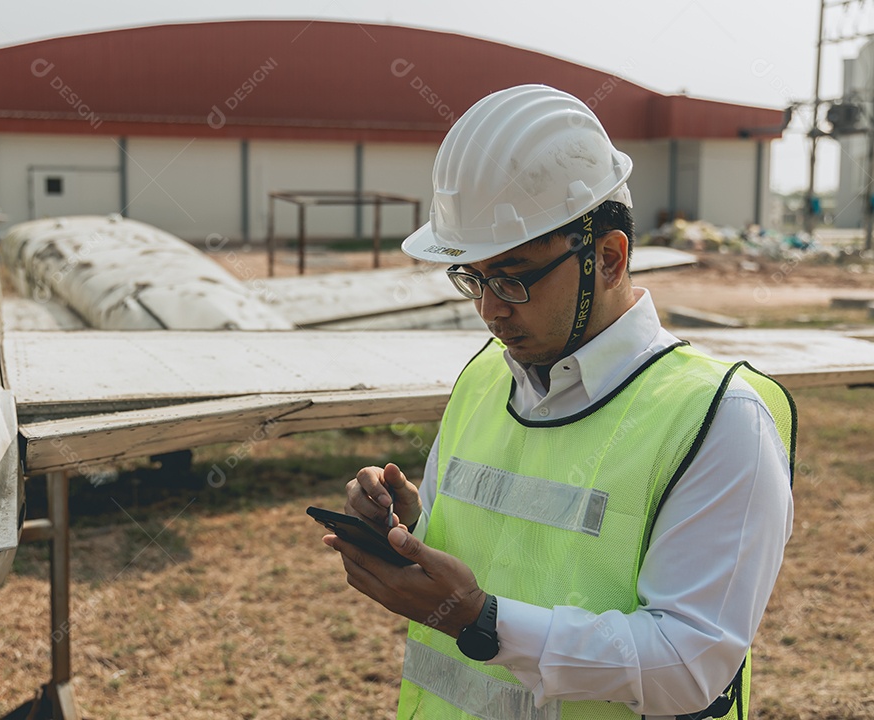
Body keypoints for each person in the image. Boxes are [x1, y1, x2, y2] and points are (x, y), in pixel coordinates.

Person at [321, 85, 794, 720]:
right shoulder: (486, 378)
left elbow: (691, 665)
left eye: (514, 276)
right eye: (474, 279)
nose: (491, 310)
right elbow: (507, 548)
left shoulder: (719, 418)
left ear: (609, 256)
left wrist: (483, 622)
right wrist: (411, 529)